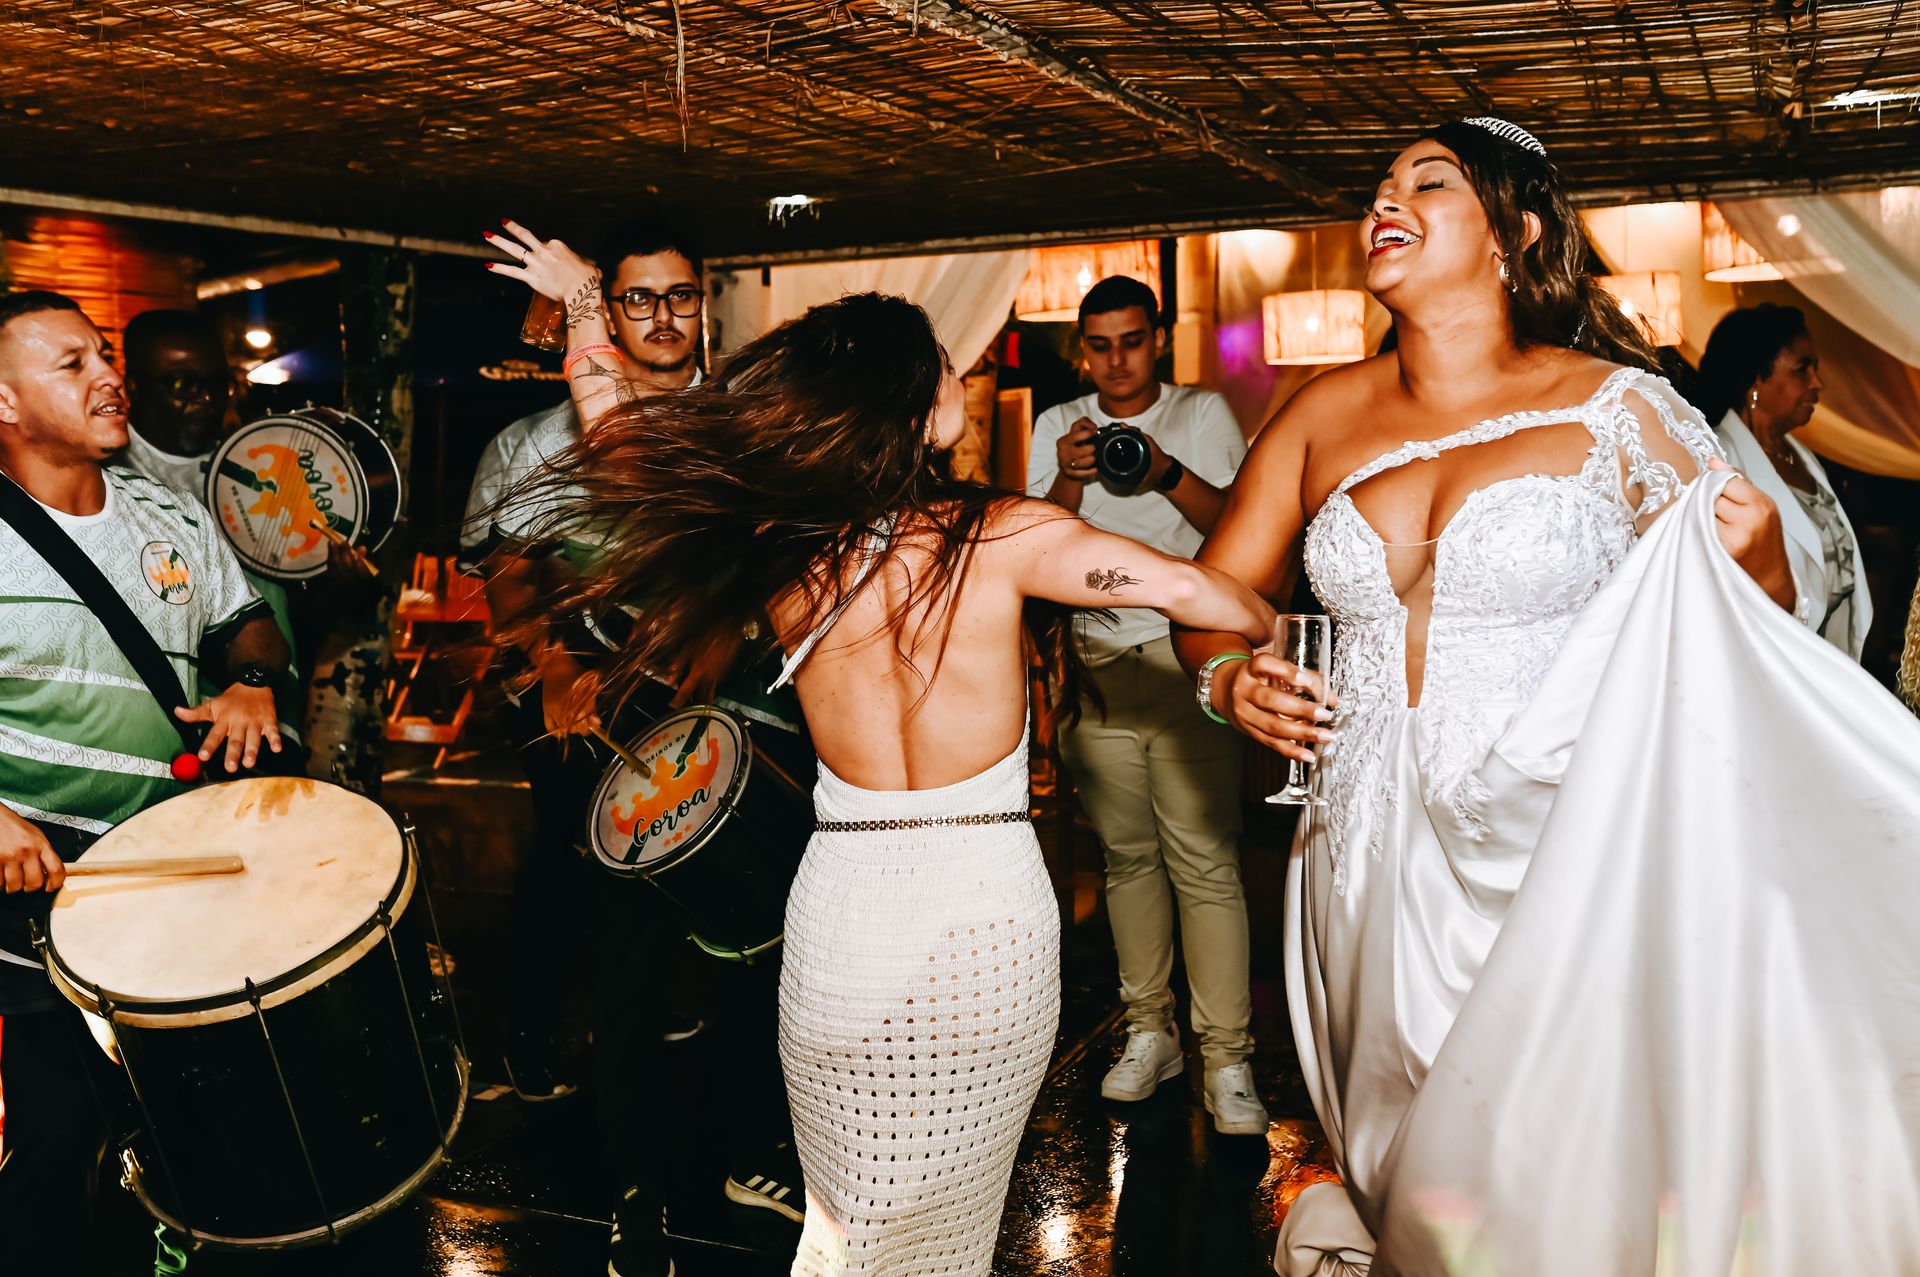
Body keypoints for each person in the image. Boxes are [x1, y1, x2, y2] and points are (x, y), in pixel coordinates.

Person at [1179, 118, 1920, 1275]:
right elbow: (1219, 586)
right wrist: (1227, 674)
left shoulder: (1620, 409)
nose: (1388, 197)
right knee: (1394, 1145)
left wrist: (1766, 562)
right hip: (1357, 844)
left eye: (1430, 180)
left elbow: (1745, 623)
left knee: (1546, 1163)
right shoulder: (1320, 413)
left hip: (1555, 839)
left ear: (1515, 231)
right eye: (1380, 183)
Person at [490, 222, 1275, 1275]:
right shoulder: (1005, 536)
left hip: (842, 913)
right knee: (952, 1219)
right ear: (919, 405)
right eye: (946, 368)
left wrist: (587, 308)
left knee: (850, 1214)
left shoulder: (784, 551)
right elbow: (1220, 598)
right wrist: (1238, 644)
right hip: (983, 922)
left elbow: (622, 443)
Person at [478, 219, 806, 1277]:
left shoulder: (747, 421)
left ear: (703, 303)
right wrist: (558, 658)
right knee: (624, 960)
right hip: (619, 723)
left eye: (679, 296)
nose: (662, 318)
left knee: (769, 952)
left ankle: (756, 1152)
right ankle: (634, 1188)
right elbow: (513, 571)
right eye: (634, 299)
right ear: (606, 312)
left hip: (755, 720)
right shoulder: (535, 442)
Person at [0, 291, 287, 1268]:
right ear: (3, 399)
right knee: (51, 1139)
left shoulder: (171, 514)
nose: (106, 376)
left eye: (101, 355)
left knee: (183, 1128)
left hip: (168, 872)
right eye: (69, 363)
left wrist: (251, 678)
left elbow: (248, 622)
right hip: (34, 889)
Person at [1025, 275, 1265, 1133]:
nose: (1116, 358)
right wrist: (1069, 482)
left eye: (1131, 339)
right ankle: (1148, 1032)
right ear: (1082, 349)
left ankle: (1228, 1056)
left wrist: (1161, 469)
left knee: (1205, 858)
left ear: (1156, 338)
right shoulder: (1059, 427)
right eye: (1099, 344)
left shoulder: (1201, 413)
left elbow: (1240, 525)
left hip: (1184, 658)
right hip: (1094, 659)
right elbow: (1039, 544)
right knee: (1125, 859)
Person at [1693, 303, 1870, 658]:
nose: (1817, 383)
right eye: (1802, 369)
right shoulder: (1717, 459)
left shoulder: (1801, 455)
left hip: (1828, 656)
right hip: (1769, 654)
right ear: (1756, 380)